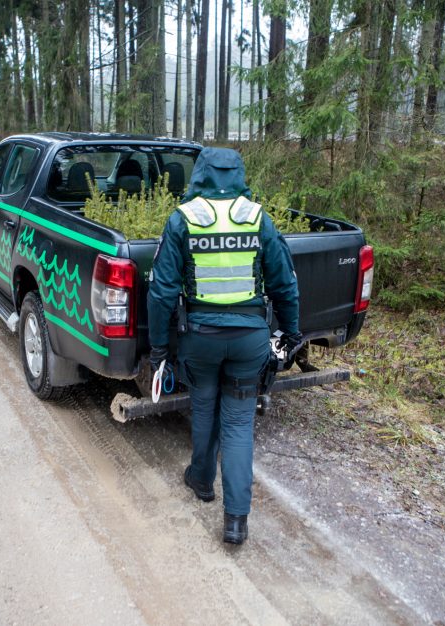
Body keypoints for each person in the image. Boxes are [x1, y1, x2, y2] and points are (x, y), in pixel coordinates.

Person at [147, 147, 301, 544]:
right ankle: (236, 520)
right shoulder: (258, 218)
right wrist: (292, 333)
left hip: (200, 338)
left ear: (199, 174)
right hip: (249, 340)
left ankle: (201, 480)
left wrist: (160, 349)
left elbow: (162, 292)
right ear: (238, 174)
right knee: (237, 425)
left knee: (203, 407)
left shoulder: (182, 219)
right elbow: (285, 283)